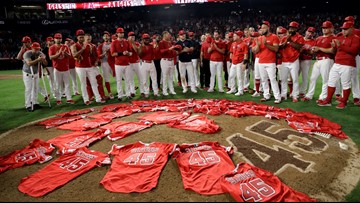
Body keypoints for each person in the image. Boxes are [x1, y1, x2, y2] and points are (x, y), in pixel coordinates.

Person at [318, 21, 360, 109]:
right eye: (343, 29)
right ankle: (328, 100)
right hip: (337, 63)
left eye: (346, 29)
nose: (343, 31)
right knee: (331, 82)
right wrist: (334, 46)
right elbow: (336, 50)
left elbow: (354, 51)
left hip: (348, 64)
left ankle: (344, 102)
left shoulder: (356, 38)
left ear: (351, 29)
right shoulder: (340, 37)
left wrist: (340, 46)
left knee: (345, 83)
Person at [302, 21, 336, 103]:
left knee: (325, 80)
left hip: (327, 60)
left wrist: (319, 48)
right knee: (312, 78)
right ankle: (309, 95)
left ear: (331, 28)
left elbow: (332, 51)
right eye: (323, 28)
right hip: (318, 60)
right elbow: (314, 50)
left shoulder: (333, 37)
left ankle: (323, 97)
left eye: (326, 28)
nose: (324, 29)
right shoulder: (319, 38)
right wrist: (312, 50)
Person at [70, 29, 105, 105]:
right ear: (77, 37)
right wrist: (82, 50)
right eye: (80, 37)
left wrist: (95, 61)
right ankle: (86, 99)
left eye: (82, 37)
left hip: (89, 66)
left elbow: (92, 55)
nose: (81, 39)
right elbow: (74, 55)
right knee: (83, 83)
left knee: (94, 82)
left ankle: (98, 98)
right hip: (80, 66)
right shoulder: (74, 45)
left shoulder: (89, 46)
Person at [252, 21, 282, 104]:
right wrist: (258, 45)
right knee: (264, 80)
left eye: (264, 28)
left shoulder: (274, 37)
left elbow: (276, 49)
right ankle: (266, 95)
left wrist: (266, 44)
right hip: (261, 61)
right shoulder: (259, 38)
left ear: (268, 28)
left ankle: (277, 97)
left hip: (270, 62)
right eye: (261, 28)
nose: (262, 29)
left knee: (272, 79)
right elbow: (255, 51)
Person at [278, 21, 304, 102]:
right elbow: (280, 47)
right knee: (283, 79)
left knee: (295, 79)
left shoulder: (299, 37)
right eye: (290, 28)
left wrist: (290, 41)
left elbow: (299, 46)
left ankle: (295, 95)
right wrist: (287, 40)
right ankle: (283, 95)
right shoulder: (284, 38)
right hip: (284, 61)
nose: (291, 29)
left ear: (296, 29)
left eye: (293, 28)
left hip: (294, 61)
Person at [49, 33, 74, 105]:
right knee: (57, 85)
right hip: (57, 68)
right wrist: (59, 53)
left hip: (66, 68)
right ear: (54, 39)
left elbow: (69, 56)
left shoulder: (65, 46)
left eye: (59, 38)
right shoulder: (52, 47)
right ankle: (58, 99)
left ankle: (69, 99)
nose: (58, 39)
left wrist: (65, 53)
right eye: (57, 38)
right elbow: (51, 57)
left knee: (67, 84)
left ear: (61, 39)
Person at [22, 42, 48, 112]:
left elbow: (46, 63)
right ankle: (28, 105)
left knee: (35, 88)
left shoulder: (40, 53)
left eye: (38, 49)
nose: (37, 51)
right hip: (28, 73)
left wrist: (43, 59)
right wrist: (38, 60)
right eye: (35, 49)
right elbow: (29, 63)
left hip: (36, 73)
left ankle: (35, 102)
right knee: (28, 89)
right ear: (32, 48)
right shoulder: (27, 54)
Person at [110, 27, 133, 101]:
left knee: (128, 80)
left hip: (127, 63)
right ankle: (120, 95)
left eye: (122, 32)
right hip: (118, 64)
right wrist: (122, 53)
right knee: (119, 80)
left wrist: (128, 53)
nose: (121, 34)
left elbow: (131, 52)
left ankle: (128, 94)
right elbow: (112, 54)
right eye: (120, 33)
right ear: (117, 34)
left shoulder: (126, 42)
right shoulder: (114, 42)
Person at [137, 33, 160, 98]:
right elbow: (140, 55)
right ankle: (146, 92)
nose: (146, 40)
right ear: (142, 39)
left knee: (154, 78)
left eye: (147, 38)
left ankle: (156, 92)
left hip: (152, 63)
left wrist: (157, 44)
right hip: (144, 63)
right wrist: (141, 46)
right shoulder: (141, 46)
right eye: (145, 39)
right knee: (145, 79)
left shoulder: (151, 45)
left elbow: (155, 52)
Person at [226, 30, 249, 96]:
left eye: (235, 36)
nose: (233, 37)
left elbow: (245, 54)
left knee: (240, 77)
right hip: (234, 62)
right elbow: (231, 52)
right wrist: (231, 61)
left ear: (239, 36)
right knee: (231, 76)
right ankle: (233, 89)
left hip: (240, 62)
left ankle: (240, 91)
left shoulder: (244, 44)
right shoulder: (233, 43)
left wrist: (244, 63)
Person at [176, 30, 197, 94]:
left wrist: (186, 50)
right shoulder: (177, 43)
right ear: (179, 35)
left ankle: (193, 88)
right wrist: (184, 51)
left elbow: (192, 49)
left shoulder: (189, 41)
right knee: (182, 75)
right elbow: (176, 53)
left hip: (189, 61)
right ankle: (184, 88)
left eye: (184, 34)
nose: (183, 35)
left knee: (191, 75)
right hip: (181, 61)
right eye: (182, 34)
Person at [299, 27, 316, 98]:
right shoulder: (300, 39)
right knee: (294, 76)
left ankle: (302, 92)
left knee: (305, 77)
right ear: (306, 32)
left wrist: (305, 50)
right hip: (297, 59)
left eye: (312, 33)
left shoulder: (314, 41)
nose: (310, 34)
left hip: (307, 60)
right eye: (309, 32)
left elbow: (312, 52)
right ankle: (294, 91)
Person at [97, 31, 115, 99]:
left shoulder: (113, 44)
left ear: (109, 37)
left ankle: (122, 91)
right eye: (104, 36)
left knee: (117, 77)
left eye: (107, 35)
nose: (106, 37)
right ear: (103, 37)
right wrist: (105, 53)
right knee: (107, 79)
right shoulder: (101, 46)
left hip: (113, 62)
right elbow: (99, 56)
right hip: (105, 63)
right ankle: (110, 93)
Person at [159, 31, 177, 95]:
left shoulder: (170, 42)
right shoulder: (161, 42)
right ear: (164, 35)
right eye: (168, 35)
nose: (170, 36)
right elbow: (161, 51)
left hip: (171, 60)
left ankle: (171, 90)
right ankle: (164, 91)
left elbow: (172, 52)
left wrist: (174, 50)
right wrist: (169, 49)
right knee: (165, 76)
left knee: (171, 76)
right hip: (165, 60)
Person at [127, 31, 144, 97]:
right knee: (131, 78)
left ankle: (142, 91)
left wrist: (132, 43)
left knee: (140, 77)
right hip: (129, 63)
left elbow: (136, 50)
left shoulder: (136, 43)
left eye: (133, 36)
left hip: (137, 62)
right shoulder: (126, 43)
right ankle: (132, 91)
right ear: (128, 37)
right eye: (131, 36)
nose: (132, 37)